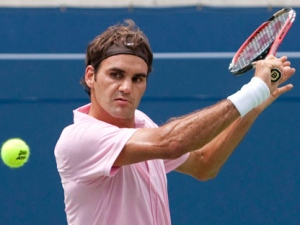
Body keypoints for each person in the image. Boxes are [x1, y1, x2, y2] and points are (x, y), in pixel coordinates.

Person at [54, 19, 296, 225]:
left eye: (138, 78)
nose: (126, 87)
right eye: (116, 75)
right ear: (90, 76)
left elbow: (204, 164)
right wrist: (253, 90)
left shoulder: (143, 124)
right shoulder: (79, 139)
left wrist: (251, 109)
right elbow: (172, 143)